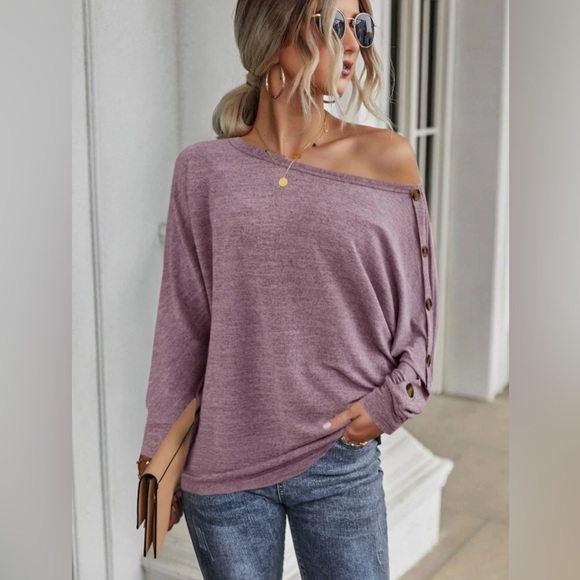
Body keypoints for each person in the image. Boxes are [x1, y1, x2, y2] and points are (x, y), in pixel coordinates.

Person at [137, 0, 438, 578]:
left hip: (337, 457)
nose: (353, 44)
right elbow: (183, 323)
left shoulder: (386, 157)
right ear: (275, 33)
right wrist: (156, 452)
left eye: (361, 26)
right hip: (222, 470)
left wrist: (392, 401)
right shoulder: (202, 170)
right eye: (334, 24)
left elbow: (418, 312)